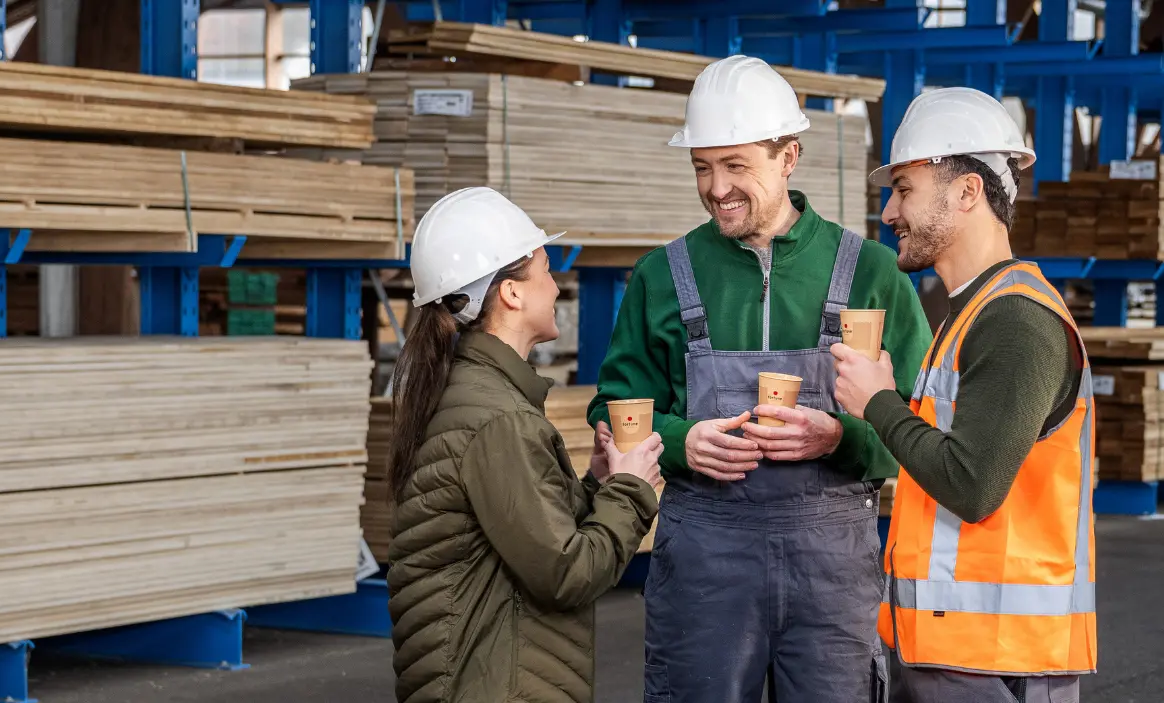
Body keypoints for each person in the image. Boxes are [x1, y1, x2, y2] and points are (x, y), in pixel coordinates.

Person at [586, 54, 932, 702]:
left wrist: (843, 438)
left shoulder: (874, 275)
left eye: (735, 165)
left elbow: (928, 428)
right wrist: (681, 439)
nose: (716, 187)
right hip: (705, 571)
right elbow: (611, 409)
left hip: (832, 573)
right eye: (702, 167)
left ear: (789, 156)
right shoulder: (663, 276)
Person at [832, 87, 1097, 703]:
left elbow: (972, 486)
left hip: (998, 662)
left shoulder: (1015, 321)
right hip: (957, 652)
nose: (890, 212)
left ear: (967, 191)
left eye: (905, 189)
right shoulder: (969, 314)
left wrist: (879, 401)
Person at [384, 186, 666, 703]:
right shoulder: (499, 419)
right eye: (545, 270)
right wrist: (630, 489)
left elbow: (519, 536)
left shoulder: (475, 396)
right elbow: (566, 574)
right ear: (512, 293)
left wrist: (596, 485)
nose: (557, 287)